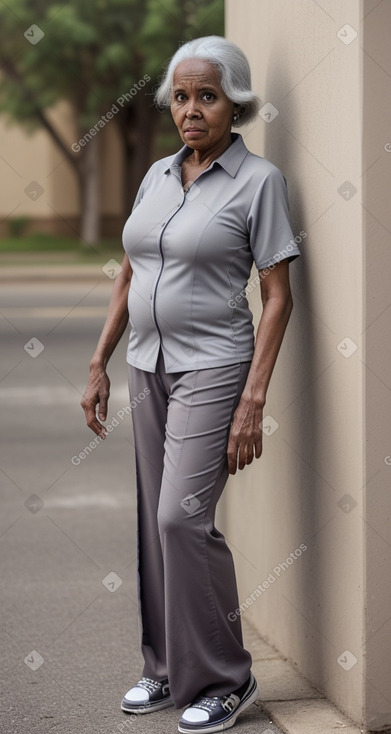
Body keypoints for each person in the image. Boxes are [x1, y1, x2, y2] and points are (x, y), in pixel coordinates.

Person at [81, 34, 301, 734]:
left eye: (206, 96)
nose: (191, 109)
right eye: (180, 96)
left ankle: (224, 678)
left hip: (214, 367)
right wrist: (98, 362)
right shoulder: (154, 177)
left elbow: (277, 296)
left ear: (234, 103)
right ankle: (167, 667)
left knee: (182, 517)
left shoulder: (258, 182)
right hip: (147, 365)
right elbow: (129, 271)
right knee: (155, 525)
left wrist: (253, 397)